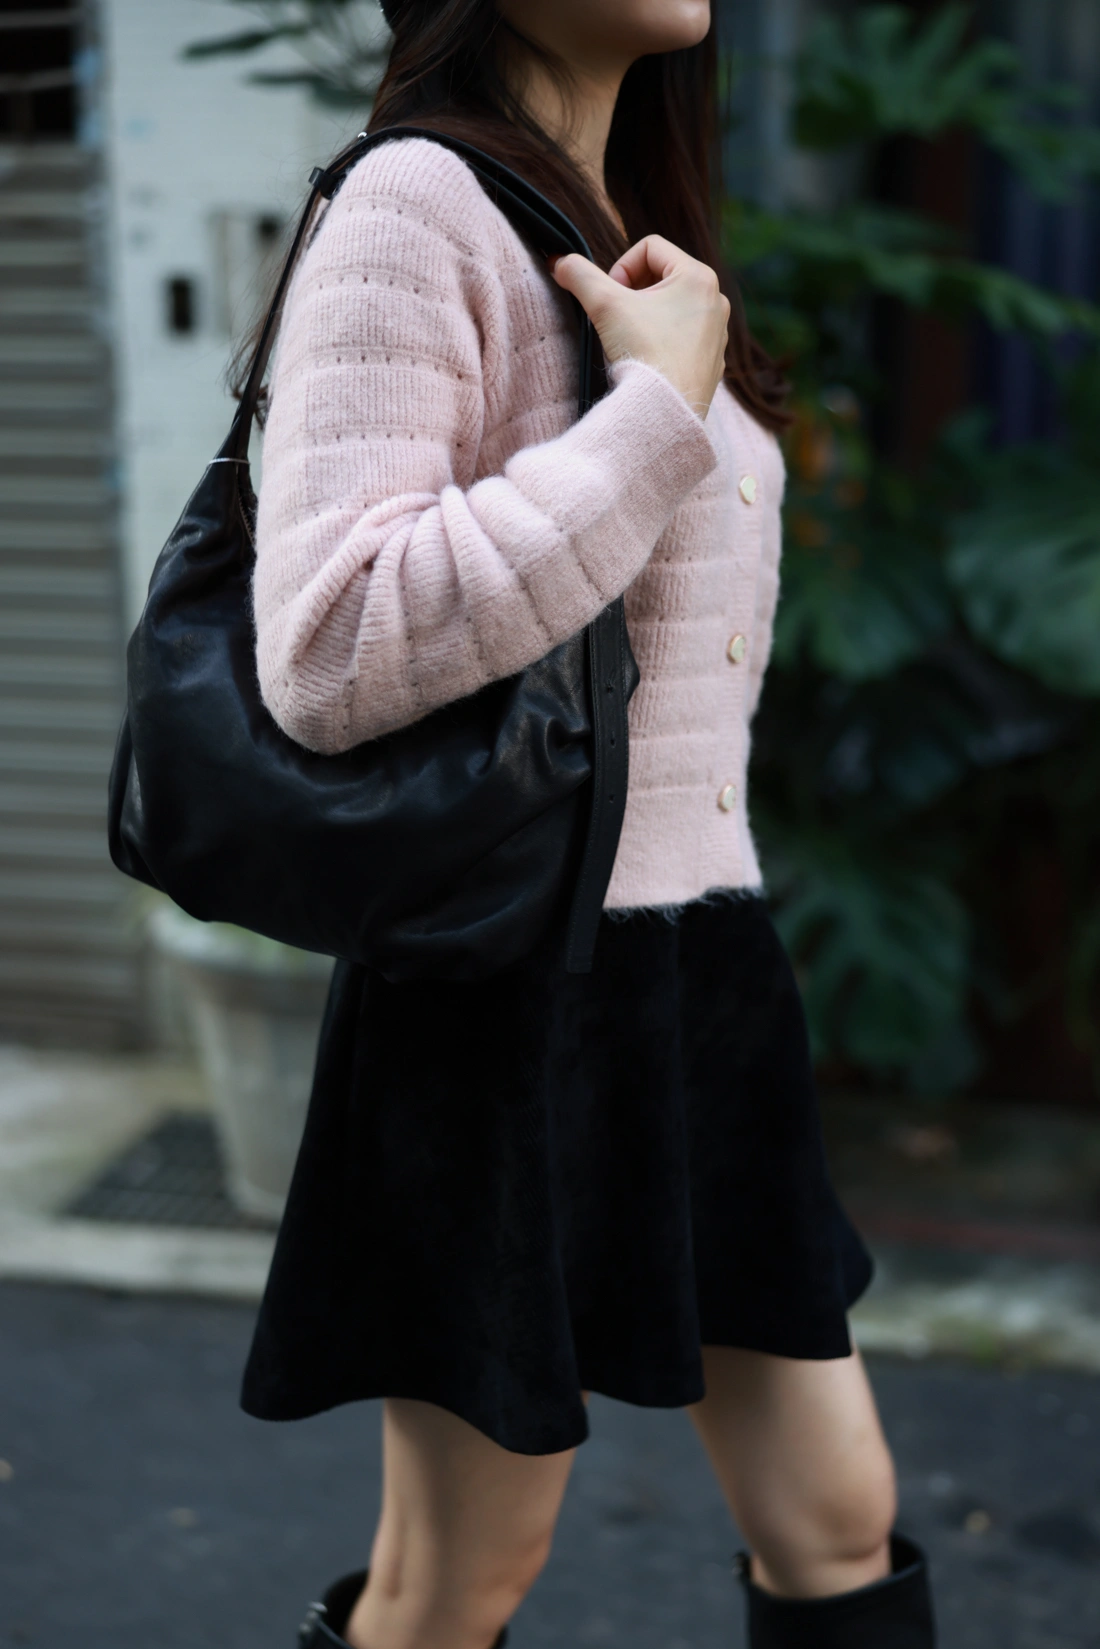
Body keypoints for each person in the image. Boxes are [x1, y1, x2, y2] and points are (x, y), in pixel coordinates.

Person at [243, 2, 937, 1645]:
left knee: (837, 1520)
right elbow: (331, 648)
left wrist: (664, 394)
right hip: (512, 988)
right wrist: (650, 417)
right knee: (457, 1579)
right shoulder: (416, 204)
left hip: (705, 970)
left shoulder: (626, 220)